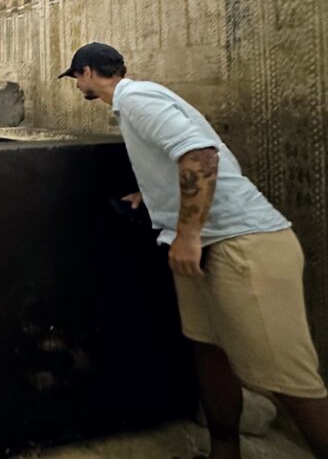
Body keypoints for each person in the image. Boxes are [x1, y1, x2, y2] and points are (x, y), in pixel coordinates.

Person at [58, 42, 328, 459]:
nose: (77, 85)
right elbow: (176, 160)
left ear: (88, 73)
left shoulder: (136, 99)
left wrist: (187, 235)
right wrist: (151, 197)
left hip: (241, 244)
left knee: (290, 381)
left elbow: (199, 154)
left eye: (76, 77)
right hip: (209, 248)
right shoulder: (136, 103)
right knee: (210, 350)